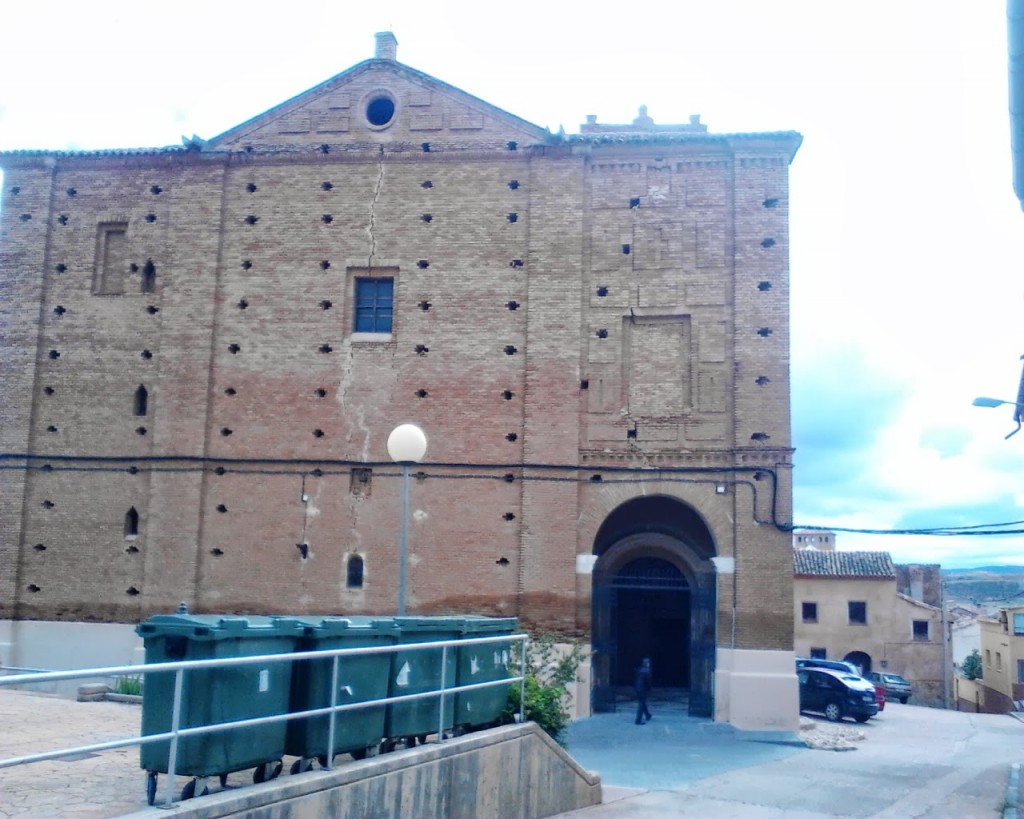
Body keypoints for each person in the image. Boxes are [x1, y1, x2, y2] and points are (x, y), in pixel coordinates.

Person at [634, 657, 652, 724]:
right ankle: (638, 720)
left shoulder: (639, 669)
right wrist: (649, 689)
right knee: (641, 704)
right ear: (647, 663)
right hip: (643, 689)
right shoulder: (647, 670)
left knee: (642, 702)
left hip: (637, 688)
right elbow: (648, 681)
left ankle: (647, 715)